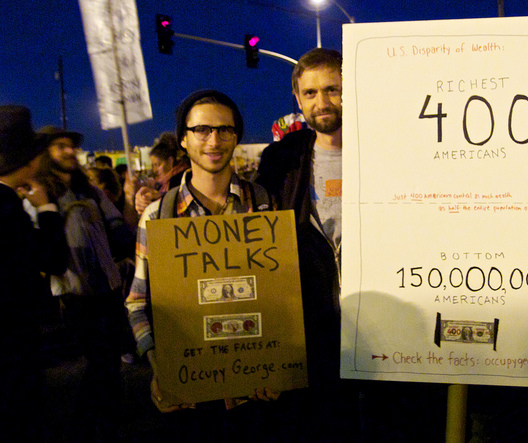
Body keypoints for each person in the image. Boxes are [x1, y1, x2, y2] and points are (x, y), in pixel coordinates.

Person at [125, 90, 275, 439]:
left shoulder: (265, 206)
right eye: (202, 130)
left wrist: (278, 364)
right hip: (190, 398)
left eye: (225, 130)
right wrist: (160, 369)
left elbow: (281, 293)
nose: (214, 140)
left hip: (253, 394)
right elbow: (137, 302)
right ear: (184, 138)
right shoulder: (157, 216)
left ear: (236, 137)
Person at [255, 48, 357, 441]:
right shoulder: (280, 160)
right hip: (310, 329)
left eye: (332, 89)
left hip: (375, 324)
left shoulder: (385, 150)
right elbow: (252, 222)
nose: (322, 102)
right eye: (311, 93)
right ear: (298, 99)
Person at [35, 125, 133, 440]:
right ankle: (87, 425)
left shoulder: (90, 191)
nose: (69, 151)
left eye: (71, 146)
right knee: (98, 360)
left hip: (108, 286)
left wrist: (130, 208)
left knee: (110, 358)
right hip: (75, 293)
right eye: (59, 146)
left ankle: (106, 422)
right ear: (46, 154)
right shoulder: (41, 194)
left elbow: (118, 228)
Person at [0, 105, 69, 441]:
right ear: (27, 160)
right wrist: (46, 209)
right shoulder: (6, 207)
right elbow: (53, 259)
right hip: (12, 340)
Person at [134, 131, 190, 214]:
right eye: (153, 165)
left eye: (158, 164)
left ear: (170, 161)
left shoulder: (182, 178)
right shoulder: (162, 183)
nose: (155, 170)